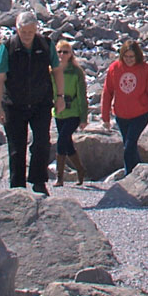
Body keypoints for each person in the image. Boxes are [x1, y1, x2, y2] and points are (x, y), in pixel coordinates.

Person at [0, 8, 61, 195]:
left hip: (41, 102)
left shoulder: (46, 45)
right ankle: (17, 188)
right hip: (14, 104)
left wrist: (60, 97)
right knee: (16, 147)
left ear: (36, 29)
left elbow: (57, 70)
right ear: (17, 29)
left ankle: (39, 181)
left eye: (31, 32)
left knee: (42, 143)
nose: (28, 36)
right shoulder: (7, 48)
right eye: (24, 32)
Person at [101, 40, 148, 176]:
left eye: (132, 57)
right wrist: (105, 117)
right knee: (130, 147)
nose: (129, 60)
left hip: (141, 114)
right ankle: (141, 172)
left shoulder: (145, 69)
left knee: (129, 146)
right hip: (121, 115)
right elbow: (107, 92)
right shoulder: (114, 68)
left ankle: (129, 176)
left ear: (137, 56)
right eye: (126, 56)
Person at [53, 39, 88, 186]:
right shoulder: (52, 70)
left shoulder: (76, 72)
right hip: (58, 112)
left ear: (70, 54)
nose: (62, 54)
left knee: (61, 141)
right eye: (59, 51)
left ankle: (59, 178)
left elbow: (82, 94)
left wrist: (83, 117)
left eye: (65, 52)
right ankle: (80, 170)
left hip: (73, 112)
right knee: (67, 144)